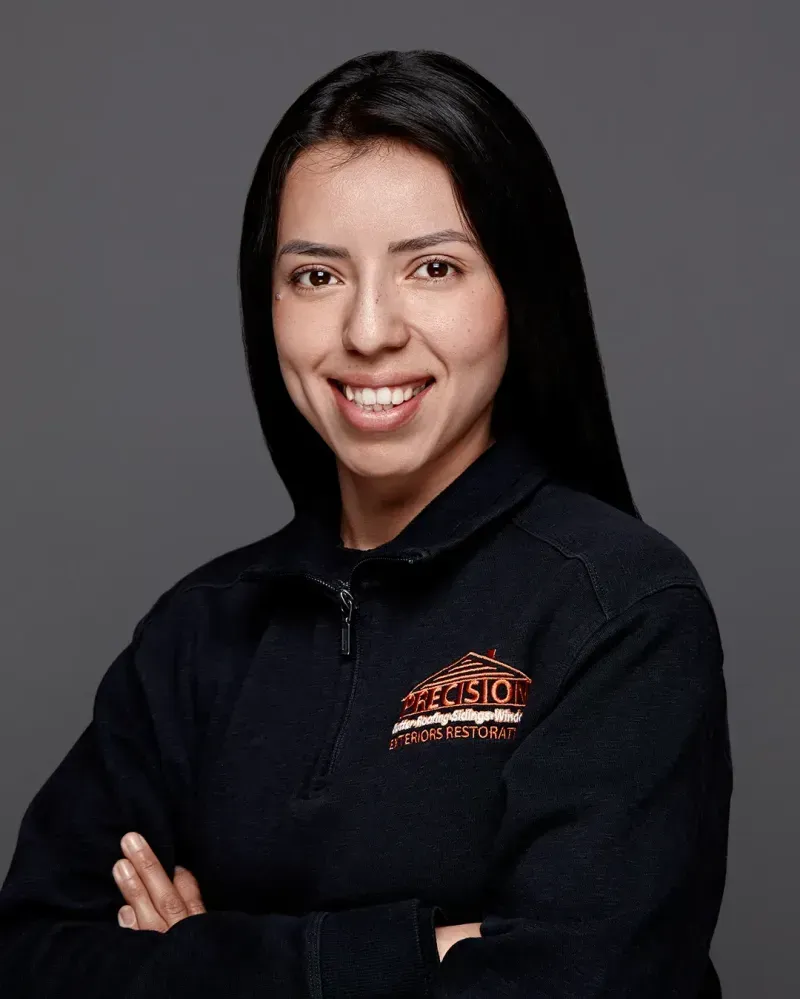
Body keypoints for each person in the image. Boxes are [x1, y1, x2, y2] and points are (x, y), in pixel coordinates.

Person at [0, 48, 732, 998]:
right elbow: (28, 958)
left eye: (433, 267)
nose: (370, 331)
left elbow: (575, 977)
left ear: (521, 290)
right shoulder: (198, 631)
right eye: (315, 276)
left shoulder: (621, 607)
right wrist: (414, 952)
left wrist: (198, 955)